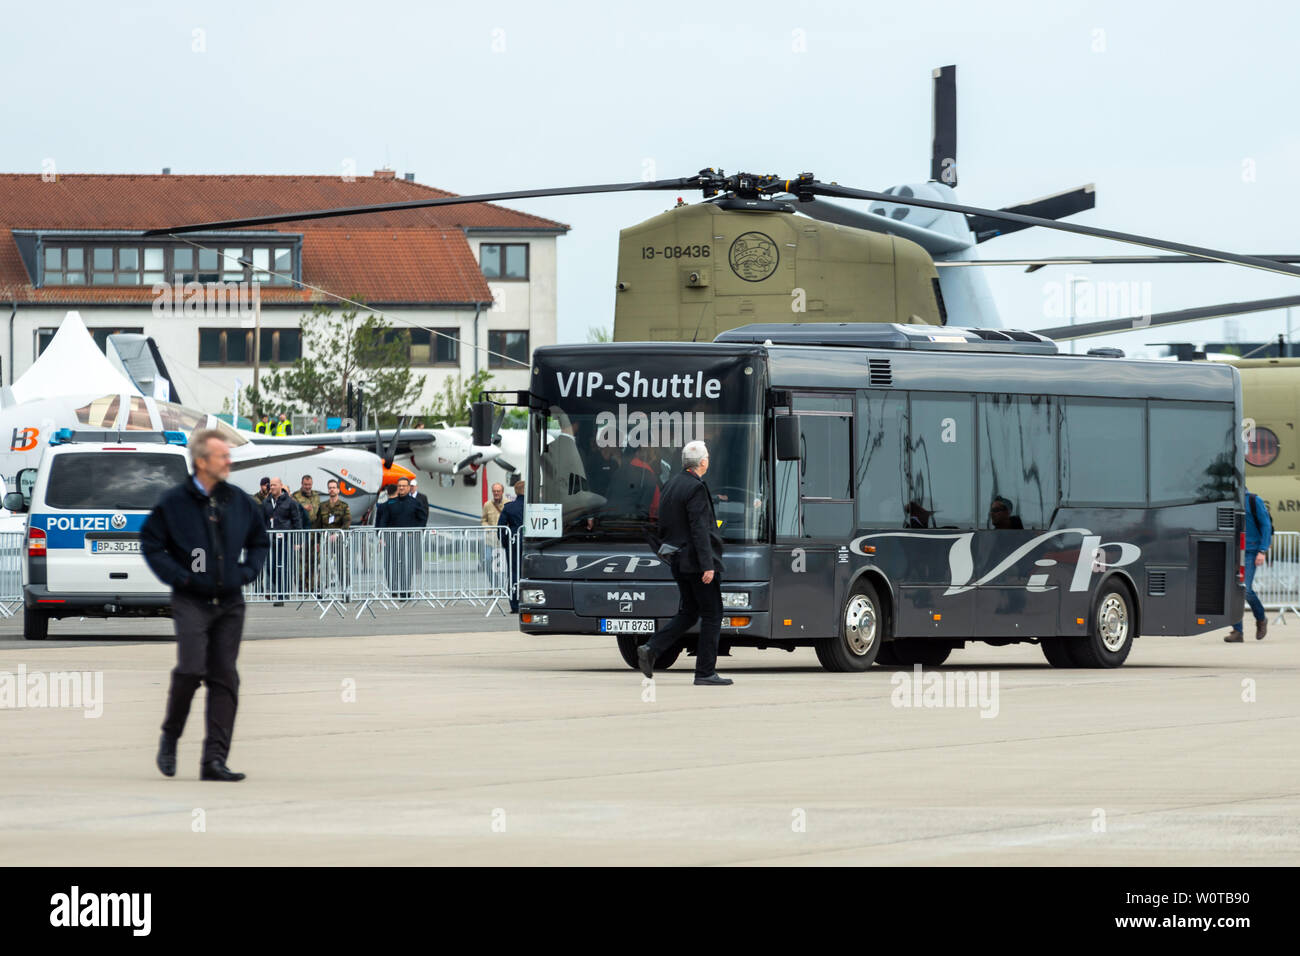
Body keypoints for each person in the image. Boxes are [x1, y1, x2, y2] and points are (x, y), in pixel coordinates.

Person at [140, 428, 269, 782]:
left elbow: (259, 540)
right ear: (201, 462)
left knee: (224, 677)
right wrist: (179, 577)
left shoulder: (239, 501)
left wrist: (247, 571)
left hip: (229, 602)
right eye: (222, 456)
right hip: (191, 599)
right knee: (191, 669)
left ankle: (214, 761)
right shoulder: (174, 503)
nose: (229, 461)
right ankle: (171, 735)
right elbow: (151, 543)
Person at [636, 441, 730, 686]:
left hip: (677, 560)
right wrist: (707, 564)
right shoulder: (696, 488)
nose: (708, 460)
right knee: (712, 614)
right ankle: (705, 672)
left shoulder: (671, 484)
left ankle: (651, 648)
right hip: (696, 562)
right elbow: (700, 529)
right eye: (707, 456)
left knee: (689, 612)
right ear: (702, 462)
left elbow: (663, 523)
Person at [1227, 488, 1273, 642]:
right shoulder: (1226, 501)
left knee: (1245, 589)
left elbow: (1266, 525)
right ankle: (1237, 631)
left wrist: (1262, 550)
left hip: (1250, 550)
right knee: (1232, 591)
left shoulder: (1253, 500)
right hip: (1230, 550)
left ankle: (1261, 619)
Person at [376, 476, 428, 598]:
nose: (401, 488)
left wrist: (415, 531)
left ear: (409, 487)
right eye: (399, 486)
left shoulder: (415, 503)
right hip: (391, 539)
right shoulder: (390, 503)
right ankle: (393, 588)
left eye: (404, 486)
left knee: (407, 564)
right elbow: (383, 520)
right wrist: (381, 536)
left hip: (408, 538)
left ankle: (405, 590)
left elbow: (422, 519)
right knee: (390, 564)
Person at [261, 477, 303, 600]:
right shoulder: (266, 502)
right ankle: (276, 588)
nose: (272, 487)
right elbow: (262, 521)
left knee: (283, 567)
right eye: (271, 485)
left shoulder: (290, 502)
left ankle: (282, 594)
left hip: (285, 539)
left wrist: (298, 541)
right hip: (270, 539)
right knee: (270, 567)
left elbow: (297, 522)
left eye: (274, 485)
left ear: (280, 486)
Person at [314, 479, 352, 599]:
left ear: (338, 490)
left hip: (339, 540)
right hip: (326, 540)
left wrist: (337, 534)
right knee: (323, 565)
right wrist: (317, 541)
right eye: (330, 487)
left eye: (334, 487)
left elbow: (347, 523)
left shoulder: (344, 506)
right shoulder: (323, 506)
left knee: (342, 565)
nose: (332, 489)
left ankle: (346, 589)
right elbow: (318, 524)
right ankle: (322, 590)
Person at [497, 479, 525, 612]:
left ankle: (515, 604)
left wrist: (505, 543)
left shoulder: (509, 507)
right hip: (534, 543)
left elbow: (501, 527)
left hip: (514, 542)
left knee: (514, 572)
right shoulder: (535, 506)